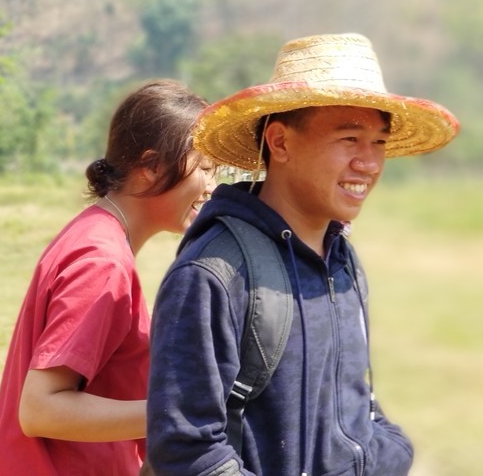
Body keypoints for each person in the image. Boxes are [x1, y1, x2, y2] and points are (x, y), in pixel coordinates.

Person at [145, 34, 460, 476]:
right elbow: (188, 451)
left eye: (379, 143)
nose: (368, 163)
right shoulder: (214, 274)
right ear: (280, 142)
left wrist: (390, 451)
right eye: (349, 138)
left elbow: (356, 405)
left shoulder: (342, 261)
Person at [0, 79, 217, 476]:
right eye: (204, 168)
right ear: (151, 166)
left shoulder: (95, 234)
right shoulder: (102, 261)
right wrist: (177, 414)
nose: (211, 186)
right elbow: (41, 409)